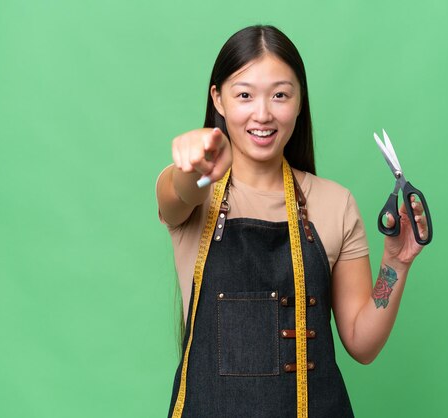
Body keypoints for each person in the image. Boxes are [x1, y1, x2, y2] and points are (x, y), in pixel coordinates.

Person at [156, 25, 428, 418]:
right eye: (244, 95)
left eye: (280, 95)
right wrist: (190, 162)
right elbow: (178, 191)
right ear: (218, 98)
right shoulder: (197, 196)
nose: (263, 113)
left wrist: (397, 264)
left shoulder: (336, 203)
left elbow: (362, 344)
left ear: (300, 102)